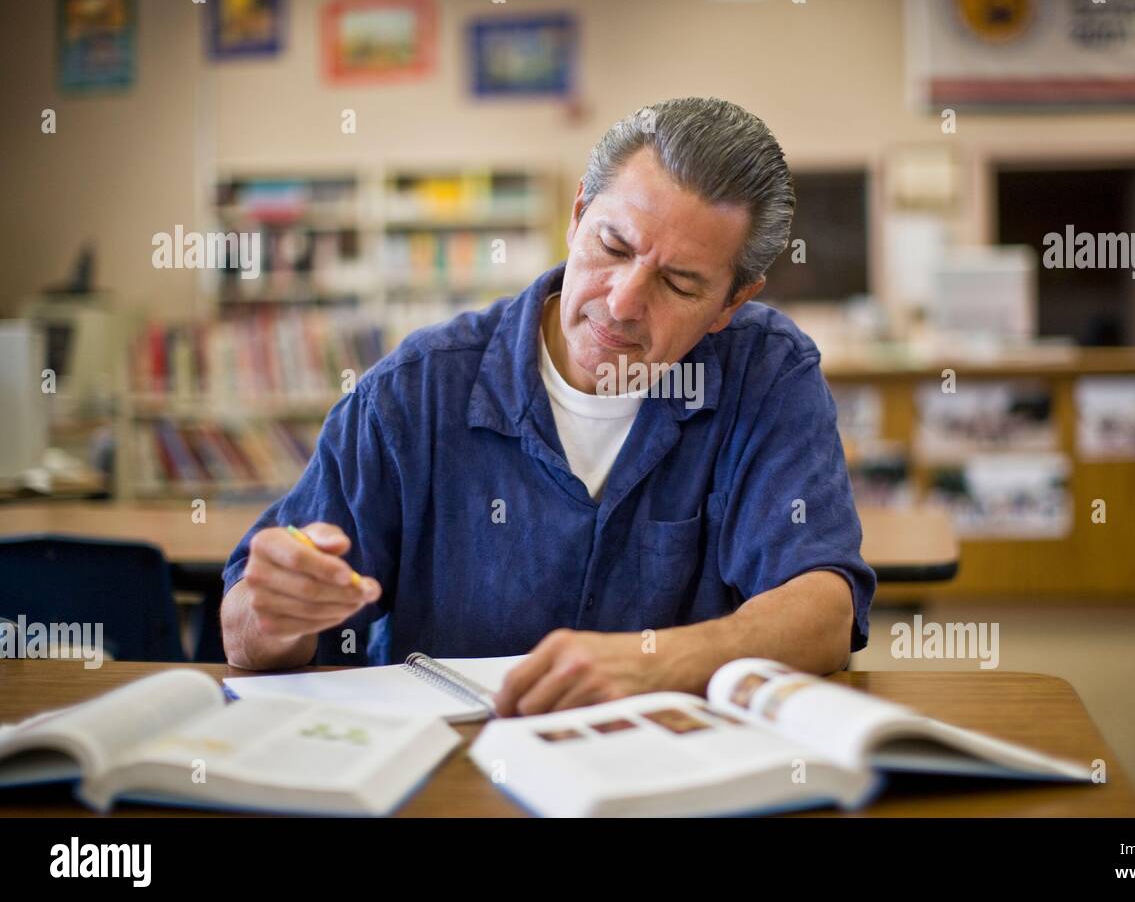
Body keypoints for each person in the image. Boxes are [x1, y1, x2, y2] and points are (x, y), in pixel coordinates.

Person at [221, 96, 876, 716]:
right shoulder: (416, 392)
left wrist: (656, 663)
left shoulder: (767, 374)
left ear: (732, 303)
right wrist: (274, 612)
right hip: (452, 782)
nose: (621, 301)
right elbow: (244, 633)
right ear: (577, 214)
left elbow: (823, 611)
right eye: (612, 247)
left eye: (678, 283)